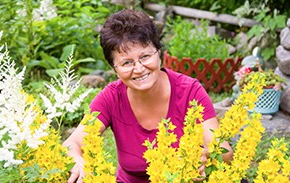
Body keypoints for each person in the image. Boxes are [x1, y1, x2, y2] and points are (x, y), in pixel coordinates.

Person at [62, 9, 233, 183]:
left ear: (159, 52)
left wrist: (206, 157)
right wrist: (78, 162)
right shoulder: (111, 98)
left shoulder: (189, 91)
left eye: (145, 56)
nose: (139, 69)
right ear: (114, 69)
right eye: (126, 63)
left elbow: (224, 152)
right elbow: (71, 144)